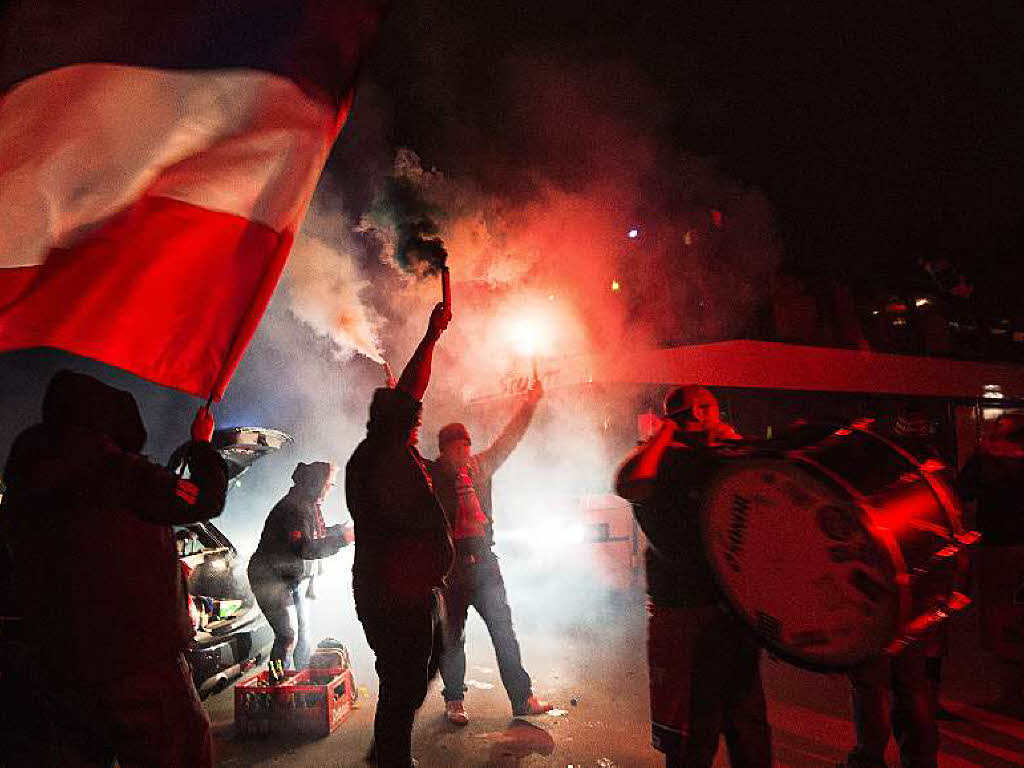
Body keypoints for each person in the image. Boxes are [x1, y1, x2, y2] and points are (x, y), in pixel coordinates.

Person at [0, 369, 227, 768]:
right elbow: (203, 499)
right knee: (179, 752)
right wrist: (202, 445)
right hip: (138, 662)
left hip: (59, 665)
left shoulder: (24, 481)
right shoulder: (118, 472)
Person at [615, 384, 770, 768]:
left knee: (746, 725)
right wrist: (665, 433)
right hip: (683, 612)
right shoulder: (661, 460)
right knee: (689, 733)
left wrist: (735, 445)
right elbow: (628, 483)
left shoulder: (727, 456)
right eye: (701, 408)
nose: (710, 414)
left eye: (710, 407)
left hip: (732, 610)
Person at [345, 302, 454, 768]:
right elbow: (411, 388)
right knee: (402, 682)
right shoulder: (378, 456)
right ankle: (391, 757)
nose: (419, 420)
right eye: (411, 416)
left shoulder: (393, 456)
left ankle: (389, 749)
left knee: (426, 665)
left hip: (414, 591)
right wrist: (430, 336)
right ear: (393, 423)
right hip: (391, 594)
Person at [427, 375, 551, 725]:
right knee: (452, 637)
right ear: (445, 451)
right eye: (456, 448)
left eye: (466, 446)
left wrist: (530, 403)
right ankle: (454, 700)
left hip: (485, 563)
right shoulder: (435, 475)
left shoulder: (482, 467)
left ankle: (522, 698)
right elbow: (407, 457)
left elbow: (510, 438)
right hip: (451, 569)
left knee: (504, 632)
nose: (464, 453)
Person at [247, 460, 351, 671]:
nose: (331, 489)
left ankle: (301, 685)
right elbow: (304, 548)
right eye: (330, 484)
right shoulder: (295, 508)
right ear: (317, 483)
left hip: (290, 576)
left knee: (304, 631)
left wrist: (341, 531)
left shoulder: (307, 503)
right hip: (270, 577)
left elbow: (315, 535)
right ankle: (278, 687)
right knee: (287, 635)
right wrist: (343, 539)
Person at [959, 412, 1024, 718]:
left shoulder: (985, 459)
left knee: (1001, 617)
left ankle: (1013, 695)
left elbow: (963, 490)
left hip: (998, 547)